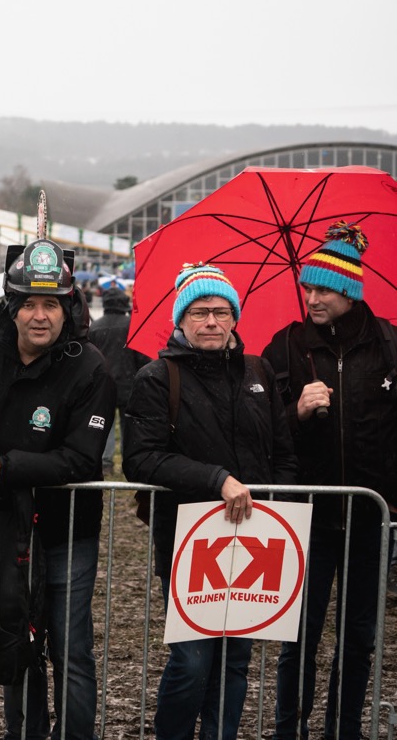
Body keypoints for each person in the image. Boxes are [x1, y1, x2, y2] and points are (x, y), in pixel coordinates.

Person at [124, 263, 297, 740]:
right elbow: (141, 459)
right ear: (181, 319)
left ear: (236, 318)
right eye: (199, 312)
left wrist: (275, 507)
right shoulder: (158, 378)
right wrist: (217, 478)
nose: (212, 323)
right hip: (189, 539)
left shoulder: (258, 371)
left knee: (235, 660)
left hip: (255, 536)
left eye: (221, 312)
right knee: (192, 659)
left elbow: (283, 453)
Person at [0, 238, 114, 740]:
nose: (39, 316)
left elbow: (81, 458)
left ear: (68, 308)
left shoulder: (92, 369)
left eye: (51, 304)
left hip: (68, 532)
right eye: (29, 304)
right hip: (5, 528)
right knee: (17, 644)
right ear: (12, 307)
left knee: (70, 650)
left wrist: (4, 467)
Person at [263, 222, 397, 740]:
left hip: (371, 516)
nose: (311, 298)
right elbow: (264, 428)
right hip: (308, 515)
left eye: (321, 289)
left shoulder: (388, 344)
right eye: (307, 288)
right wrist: (294, 411)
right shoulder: (288, 345)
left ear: (349, 291)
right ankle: (286, 729)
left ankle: (344, 729)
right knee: (299, 632)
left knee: (359, 634)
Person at [88, 284, 150, 477]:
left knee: (104, 427)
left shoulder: (95, 327)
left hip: (104, 386)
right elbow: (143, 359)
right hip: (130, 385)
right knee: (128, 427)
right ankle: (128, 461)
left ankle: (105, 463)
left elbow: (90, 359)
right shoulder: (132, 326)